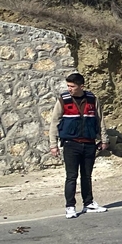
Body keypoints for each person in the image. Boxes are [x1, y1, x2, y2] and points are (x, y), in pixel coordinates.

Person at [47, 72, 109, 218]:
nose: (69, 89)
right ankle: (70, 207)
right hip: (71, 144)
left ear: (81, 86)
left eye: (72, 86)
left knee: (86, 176)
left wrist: (104, 139)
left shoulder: (92, 99)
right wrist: (53, 145)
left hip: (89, 144)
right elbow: (54, 122)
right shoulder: (63, 100)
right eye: (68, 86)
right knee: (71, 177)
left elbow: (100, 120)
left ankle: (88, 203)